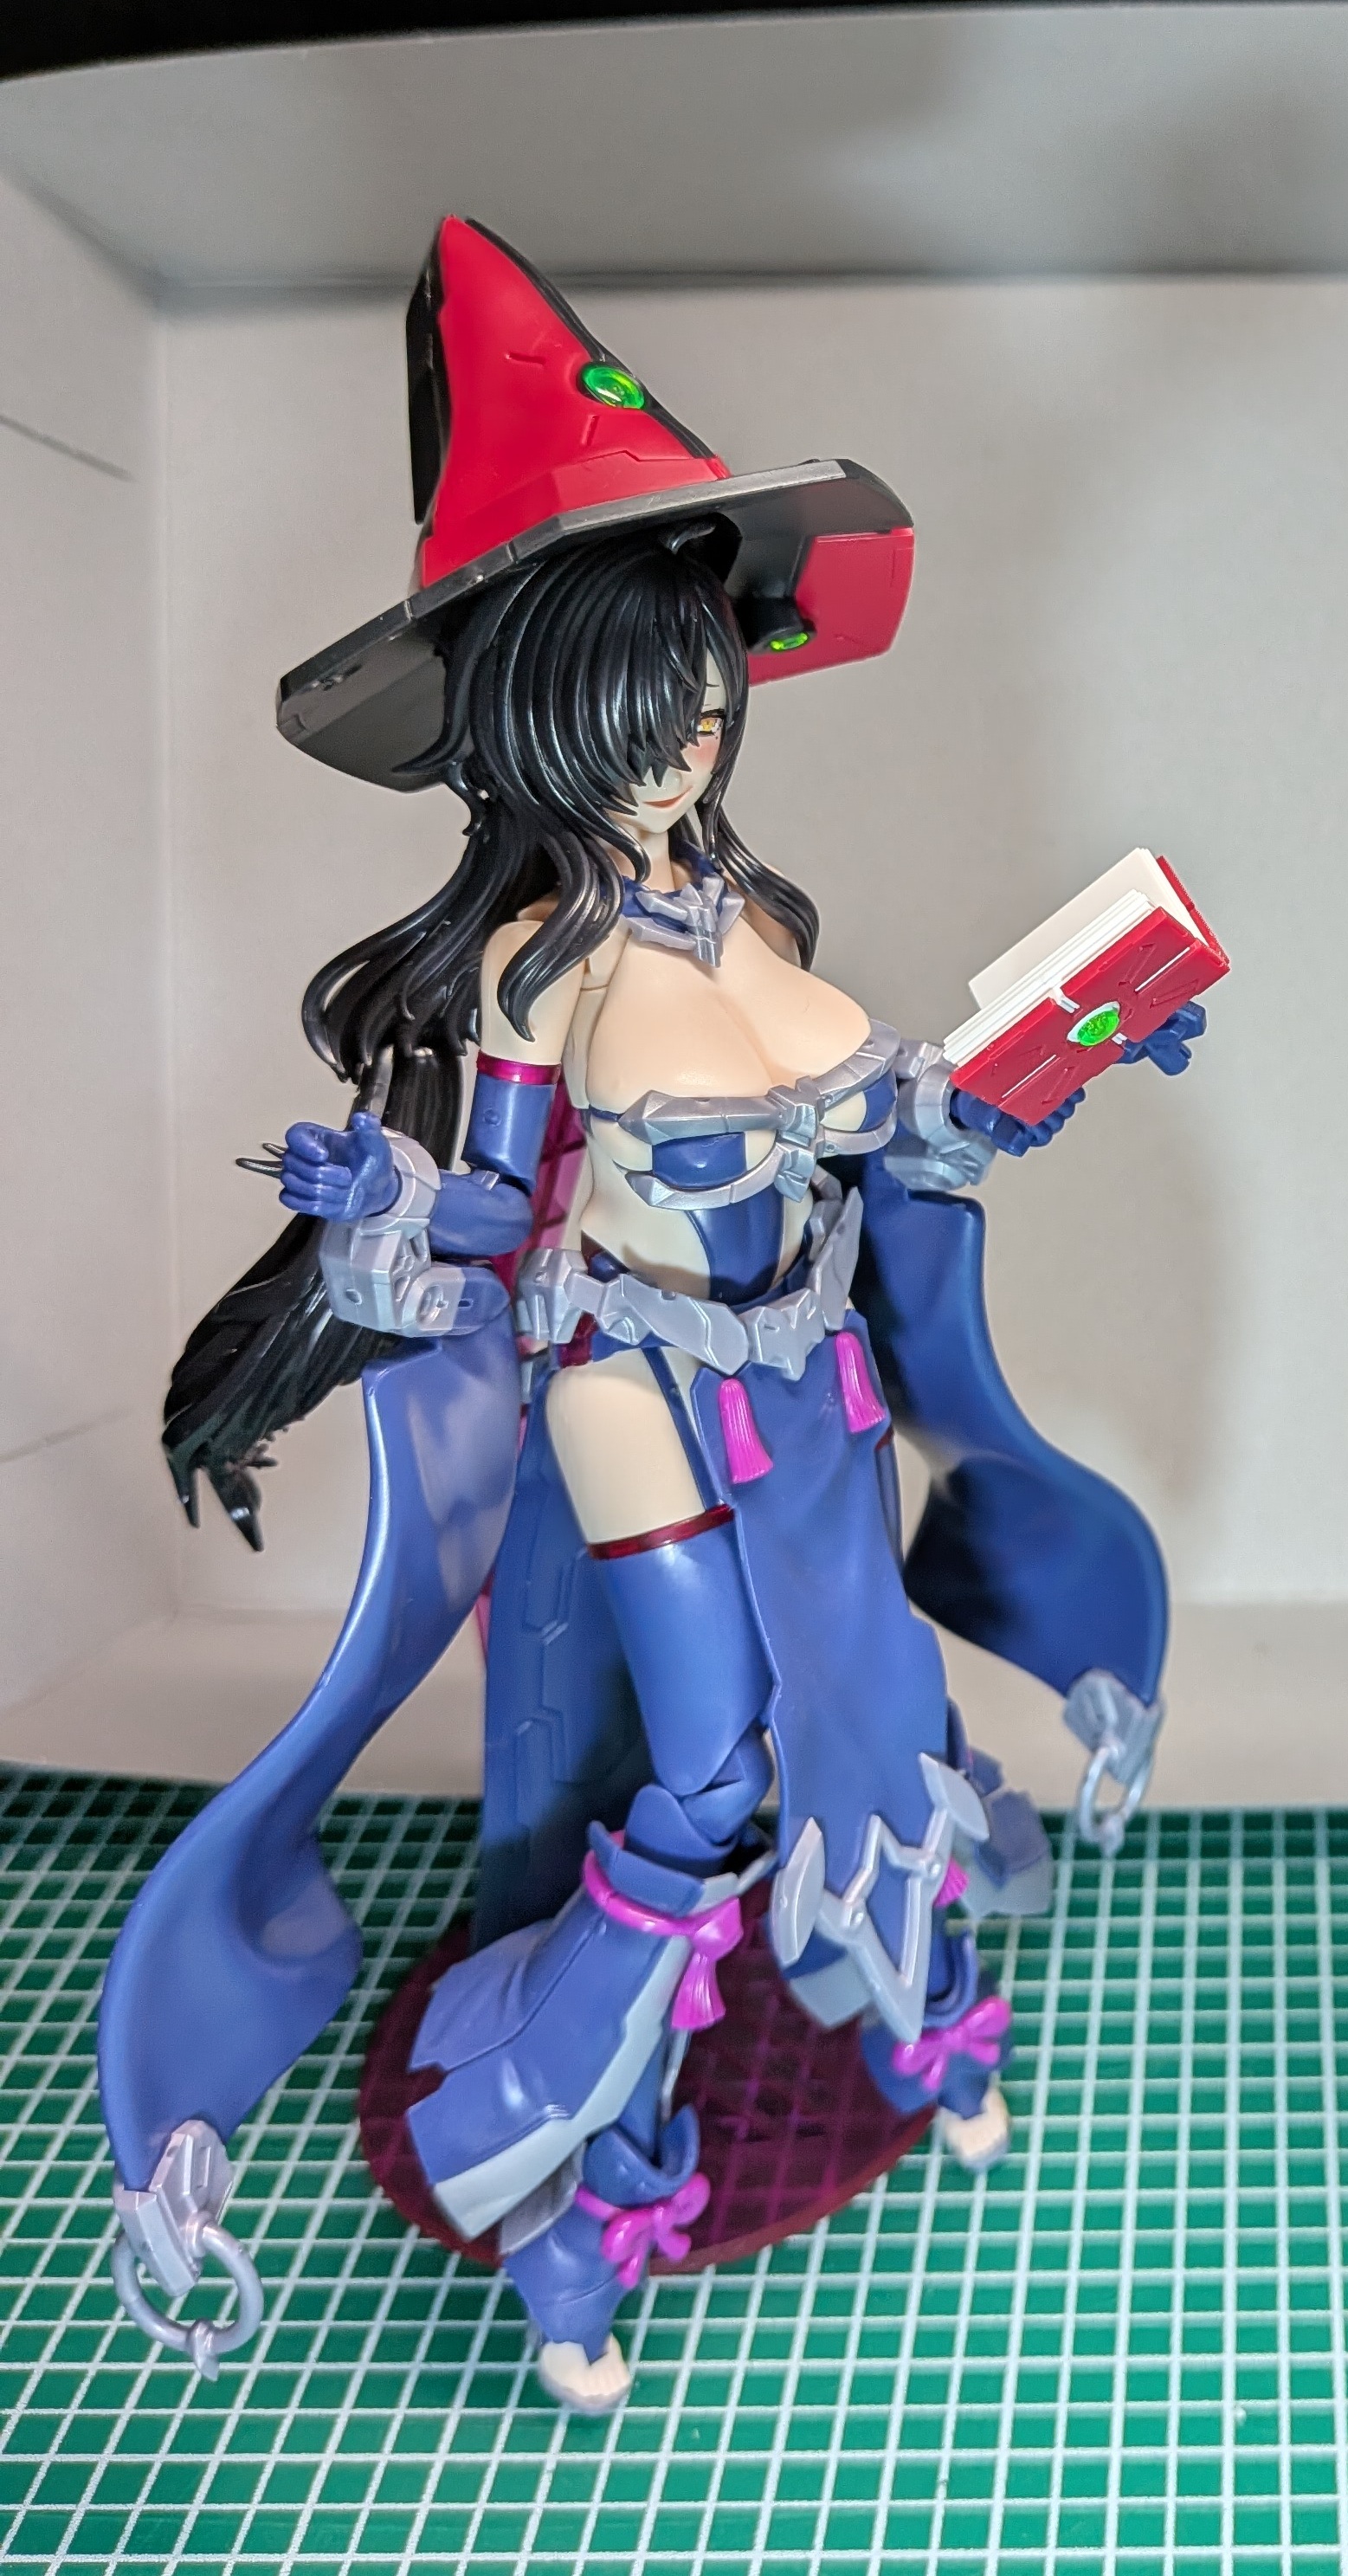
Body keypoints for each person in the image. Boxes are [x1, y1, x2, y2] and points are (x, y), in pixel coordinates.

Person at [100, 217, 1199, 2414]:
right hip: (638, 1390)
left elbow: (898, 1140)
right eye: (638, 701)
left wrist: (1048, 1068)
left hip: (819, 1371)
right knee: (703, 1775)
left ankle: (915, 2018)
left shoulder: (759, 916)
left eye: (703, 687)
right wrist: (377, 1217)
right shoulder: (543, 971)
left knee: (880, 1713)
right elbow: (490, 1213)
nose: (687, 734)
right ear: (535, 714)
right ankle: (573, 2179)